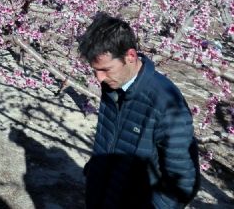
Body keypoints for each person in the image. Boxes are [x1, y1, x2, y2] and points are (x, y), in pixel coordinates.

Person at [78, 12, 200, 208]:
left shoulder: (165, 102)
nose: (99, 78)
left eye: (106, 69)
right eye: (95, 70)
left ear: (131, 56)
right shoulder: (113, 84)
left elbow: (182, 183)